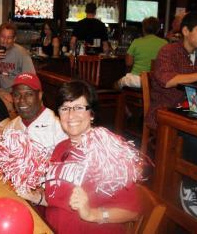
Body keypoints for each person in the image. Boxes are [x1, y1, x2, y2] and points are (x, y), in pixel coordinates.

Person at [24, 80, 142, 233]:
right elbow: (56, 199)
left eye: (79, 107)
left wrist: (92, 214)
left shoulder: (109, 149)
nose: (71, 115)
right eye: (65, 108)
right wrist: (34, 197)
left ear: (91, 113)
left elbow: (132, 212)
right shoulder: (60, 148)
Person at [147, 12, 197, 218]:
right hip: (166, 110)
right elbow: (167, 80)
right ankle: (189, 186)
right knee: (195, 136)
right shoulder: (168, 51)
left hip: (191, 107)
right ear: (186, 31)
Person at [0, 73, 66, 152]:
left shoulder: (58, 126)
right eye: (17, 95)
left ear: (39, 95)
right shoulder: (10, 128)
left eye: (29, 94)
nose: (22, 100)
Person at [0, 22, 35, 118]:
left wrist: (14, 93)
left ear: (14, 39)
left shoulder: (22, 53)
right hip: (2, 91)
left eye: (9, 37)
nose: (5, 41)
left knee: (7, 109)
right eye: (3, 36)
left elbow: (30, 79)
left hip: (18, 91)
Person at [117, 17, 167, 88]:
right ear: (158, 29)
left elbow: (128, 63)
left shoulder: (136, 42)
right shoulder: (165, 43)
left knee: (117, 83)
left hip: (137, 80)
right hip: (155, 81)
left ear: (143, 29)